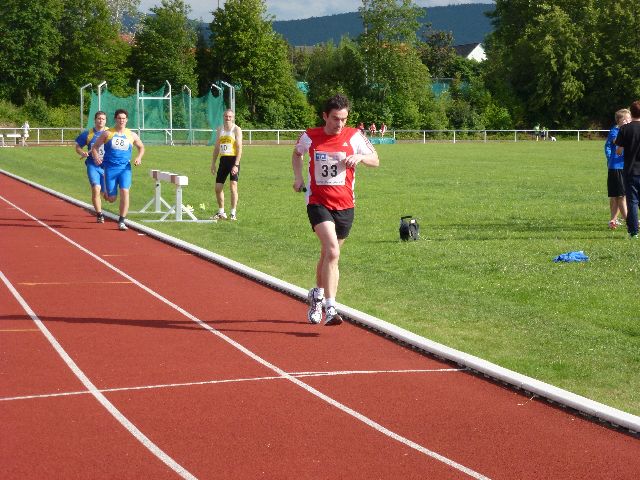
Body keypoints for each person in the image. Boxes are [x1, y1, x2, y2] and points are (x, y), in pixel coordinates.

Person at [292, 94, 379, 326]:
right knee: (332, 252)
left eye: (343, 119)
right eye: (335, 119)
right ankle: (331, 308)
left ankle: (317, 296)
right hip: (318, 202)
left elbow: (376, 159)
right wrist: (298, 177)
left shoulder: (354, 136)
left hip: (345, 205)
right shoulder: (310, 136)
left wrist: (360, 157)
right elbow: (297, 154)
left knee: (328, 255)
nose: (339, 124)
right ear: (325, 116)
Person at [91, 109, 144, 231]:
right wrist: (96, 157)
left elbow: (141, 147)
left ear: (127, 120)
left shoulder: (132, 135)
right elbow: (95, 147)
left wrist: (139, 157)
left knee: (125, 191)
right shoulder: (107, 133)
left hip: (125, 169)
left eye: (123, 118)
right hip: (110, 169)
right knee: (111, 199)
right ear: (115, 119)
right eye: (119, 118)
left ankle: (121, 221)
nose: (121, 120)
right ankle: (104, 189)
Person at [75, 111, 108, 223]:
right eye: (99, 118)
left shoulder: (110, 133)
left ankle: (103, 195)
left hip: (107, 167)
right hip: (93, 165)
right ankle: (99, 214)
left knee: (107, 196)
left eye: (103, 119)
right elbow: (78, 147)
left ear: (105, 121)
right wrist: (82, 152)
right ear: (95, 120)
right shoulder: (88, 134)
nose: (101, 120)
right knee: (96, 188)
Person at [210, 109, 243, 220]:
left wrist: (236, 165)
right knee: (218, 188)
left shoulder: (236, 129)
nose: (228, 118)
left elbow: (239, 148)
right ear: (223, 117)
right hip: (223, 160)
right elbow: (216, 147)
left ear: (233, 118)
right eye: (226, 116)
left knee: (233, 186)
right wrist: (213, 163)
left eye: (230, 116)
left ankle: (233, 213)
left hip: (233, 160)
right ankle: (221, 212)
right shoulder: (220, 129)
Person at [615, 100, 640, 239]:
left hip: (631, 171)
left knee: (632, 202)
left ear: (631, 112)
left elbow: (619, 151)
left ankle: (633, 231)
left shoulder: (625, 129)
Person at [604, 109, 630, 229]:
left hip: (623, 166)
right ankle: (629, 221)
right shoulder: (615, 131)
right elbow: (618, 142)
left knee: (617, 195)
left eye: (629, 119)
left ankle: (613, 220)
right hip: (617, 167)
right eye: (625, 119)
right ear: (619, 121)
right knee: (620, 195)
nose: (628, 121)